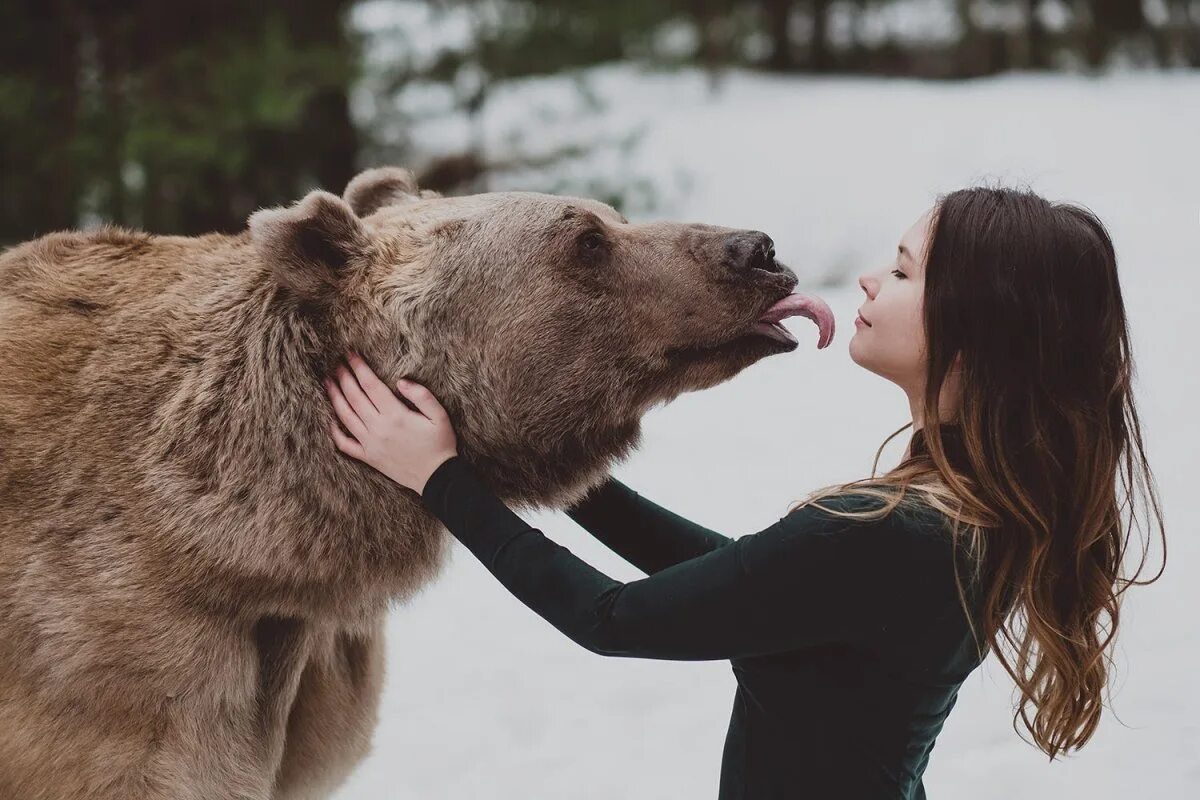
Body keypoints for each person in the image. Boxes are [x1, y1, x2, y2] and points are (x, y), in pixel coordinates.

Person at [321, 186, 1165, 799]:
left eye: (904, 273)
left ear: (974, 336)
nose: (869, 281)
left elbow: (612, 618)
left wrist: (442, 481)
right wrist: (544, 468)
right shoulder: (969, 513)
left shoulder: (886, 533)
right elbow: (747, 583)